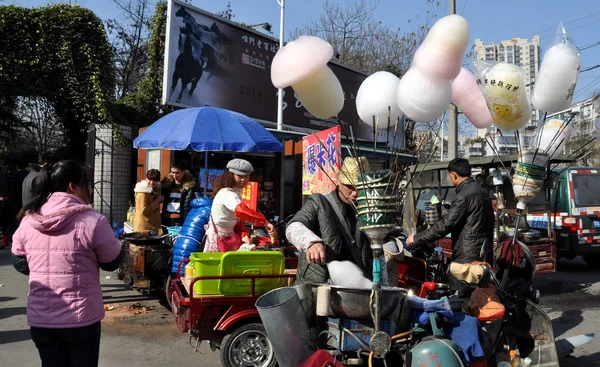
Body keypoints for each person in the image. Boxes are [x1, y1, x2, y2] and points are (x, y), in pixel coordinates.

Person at [11, 160, 122, 367]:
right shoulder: (93, 221)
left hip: (41, 319)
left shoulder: (28, 219)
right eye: (88, 184)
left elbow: (19, 262)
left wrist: (42, 269)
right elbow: (112, 261)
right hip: (80, 320)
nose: (90, 189)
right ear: (73, 186)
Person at [286, 157, 375, 285]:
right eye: (349, 186)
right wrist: (311, 242)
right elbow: (293, 227)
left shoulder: (368, 211)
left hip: (354, 289)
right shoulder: (319, 202)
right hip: (318, 287)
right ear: (339, 182)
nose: (355, 193)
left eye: (360, 187)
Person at [406, 158, 495, 265]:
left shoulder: (463, 196)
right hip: (484, 253)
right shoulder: (482, 192)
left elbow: (445, 225)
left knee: (459, 280)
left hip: (468, 257)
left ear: (454, 175)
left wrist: (416, 238)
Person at [204, 159, 276, 252]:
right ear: (230, 175)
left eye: (246, 176)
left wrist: (244, 234)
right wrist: (265, 222)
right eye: (239, 176)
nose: (244, 180)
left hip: (226, 237)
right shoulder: (228, 193)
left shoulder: (235, 192)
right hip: (219, 237)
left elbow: (238, 219)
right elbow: (242, 211)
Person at [160, 160, 196, 227]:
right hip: (166, 218)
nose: (174, 175)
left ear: (184, 171)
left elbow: (198, 199)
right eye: (172, 172)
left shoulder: (191, 185)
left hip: (181, 219)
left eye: (177, 173)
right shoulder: (166, 183)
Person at [134, 169, 163, 233]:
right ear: (146, 178)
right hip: (144, 227)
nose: (152, 182)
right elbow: (144, 210)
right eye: (150, 180)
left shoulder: (153, 190)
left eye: (155, 180)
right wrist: (156, 202)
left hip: (151, 226)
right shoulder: (142, 192)